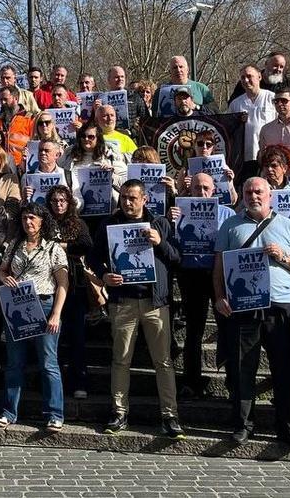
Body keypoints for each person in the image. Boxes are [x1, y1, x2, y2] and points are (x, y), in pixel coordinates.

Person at [213, 177, 290, 447]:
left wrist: (283, 257)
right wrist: (220, 296)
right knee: (242, 368)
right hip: (244, 307)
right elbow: (219, 265)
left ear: (270, 195)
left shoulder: (288, 225)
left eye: (259, 191)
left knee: (286, 368)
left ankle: (288, 428)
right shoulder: (230, 225)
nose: (253, 195)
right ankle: (243, 425)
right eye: (248, 191)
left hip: (281, 305)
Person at [90, 180, 184, 438]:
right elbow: (94, 257)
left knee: (163, 361)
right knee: (121, 360)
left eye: (132, 198)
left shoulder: (160, 223)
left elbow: (177, 257)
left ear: (144, 199)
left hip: (156, 303)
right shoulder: (109, 224)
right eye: (123, 198)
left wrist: (160, 242)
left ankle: (170, 415)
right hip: (123, 302)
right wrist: (104, 275)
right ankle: (119, 412)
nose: (128, 203)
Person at [0, 203, 69, 431]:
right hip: (16, 305)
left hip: (44, 305)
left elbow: (63, 282)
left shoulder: (53, 248)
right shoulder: (14, 245)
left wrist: (56, 313)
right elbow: (2, 270)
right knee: (14, 362)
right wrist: (4, 277)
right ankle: (8, 411)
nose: (28, 222)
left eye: (33, 218)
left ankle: (54, 413)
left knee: (48, 362)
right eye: (25, 218)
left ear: (42, 220)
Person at [167, 172, 237, 399]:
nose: (202, 192)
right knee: (194, 330)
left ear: (214, 190)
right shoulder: (179, 211)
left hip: (219, 274)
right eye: (197, 188)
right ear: (190, 190)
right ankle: (191, 381)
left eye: (206, 187)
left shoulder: (227, 213)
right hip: (190, 274)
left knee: (226, 328)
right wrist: (171, 221)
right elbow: (169, 243)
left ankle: (232, 380)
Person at [46, 184, 96, 398]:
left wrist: (61, 246)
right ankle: (53, 383)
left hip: (74, 286)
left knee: (76, 336)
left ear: (69, 203)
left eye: (62, 200)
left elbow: (86, 244)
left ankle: (79, 382)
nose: (59, 204)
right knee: (52, 338)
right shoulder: (44, 224)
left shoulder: (78, 223)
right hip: (49, 285)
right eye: (55, 201)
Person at [228, 65, 277, 181]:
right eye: (242, 77)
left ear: (259, 76)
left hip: (270, 156)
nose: (245, 80)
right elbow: (229, 131)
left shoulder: (272, 98)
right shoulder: (235, 104)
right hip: (246, 157)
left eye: (249, 76)